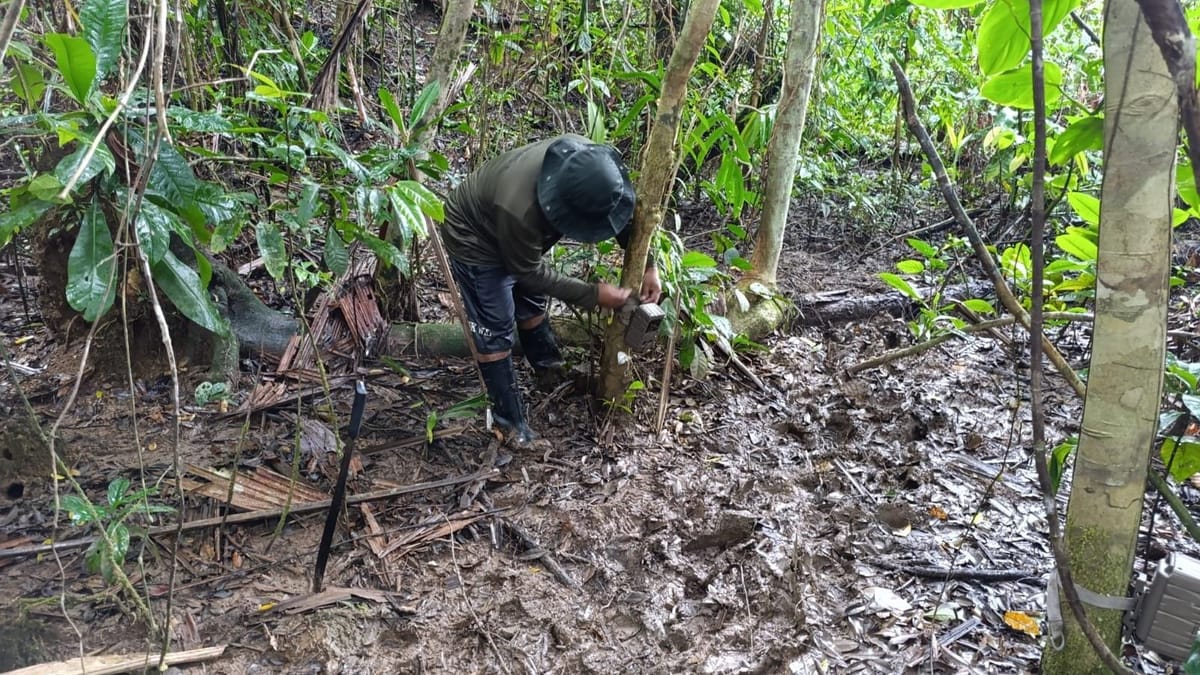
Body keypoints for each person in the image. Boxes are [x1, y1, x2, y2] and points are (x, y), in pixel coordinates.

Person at [441, 134, 662, 449]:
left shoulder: (597, 167)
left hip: (516, 230)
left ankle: (549, 371)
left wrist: (650, 267)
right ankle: (509, 422)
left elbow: (620, 211)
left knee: (531, 304)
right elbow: (528, 272)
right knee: (495, 325)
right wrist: (593, 294)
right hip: (475, 236)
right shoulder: (520, 206)